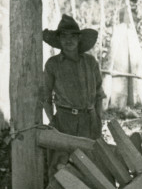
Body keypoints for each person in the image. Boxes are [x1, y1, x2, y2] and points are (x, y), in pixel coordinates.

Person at [42, 14, 105, 171]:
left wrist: (98, 119)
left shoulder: (90, 62)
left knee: (92, 167)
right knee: (60, 165)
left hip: (89, 120)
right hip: (65, 121)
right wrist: (52, 121)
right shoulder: (53, 64)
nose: (68, 40)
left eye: (73, 36)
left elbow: (99, 94)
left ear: (79, 38)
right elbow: (45, 96)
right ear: (59, 39)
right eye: (64, 36)